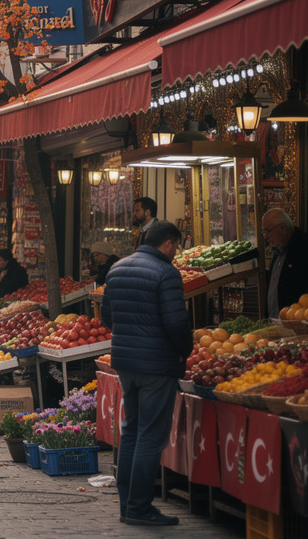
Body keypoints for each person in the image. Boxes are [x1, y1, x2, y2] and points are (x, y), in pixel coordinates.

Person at [102, 220, 190, 526]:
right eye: (176, 246)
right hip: (157, 365)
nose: (175, 253)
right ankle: (139, 507)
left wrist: (130, 339)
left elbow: (107, 317)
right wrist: (184, 350)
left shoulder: (117, 269)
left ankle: (128, 505)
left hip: (126, 363)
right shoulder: (167, 273)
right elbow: (177, 323)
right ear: (167, 243)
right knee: (151, 436)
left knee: (132, 432)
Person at [262, 208, 308, 317]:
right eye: (263, 232)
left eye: (267, 231)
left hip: (296, 323)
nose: (265, 236)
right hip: (274, 323)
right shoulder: (278, 250)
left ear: (283, 229)